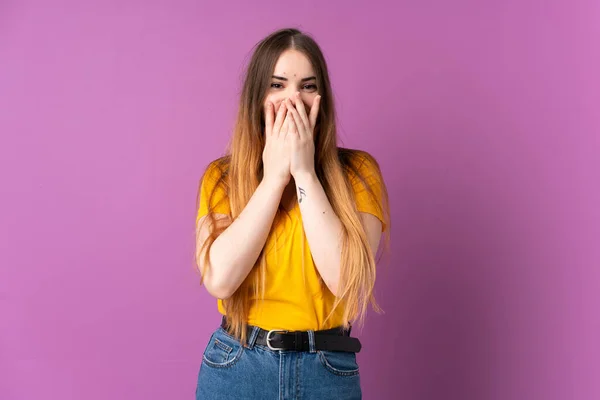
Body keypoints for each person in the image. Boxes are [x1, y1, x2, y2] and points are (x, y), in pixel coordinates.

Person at [193, 27, 391, 399]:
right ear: (256, 97)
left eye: (308, 86)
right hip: (237, 368)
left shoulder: (360, 174)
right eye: (278, 85)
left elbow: (346, 282)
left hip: (327, 370)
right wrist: (272, 180)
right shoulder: (221, 178)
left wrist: (304, 173)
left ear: (323, 99)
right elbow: (219, 280)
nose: (293, 99)